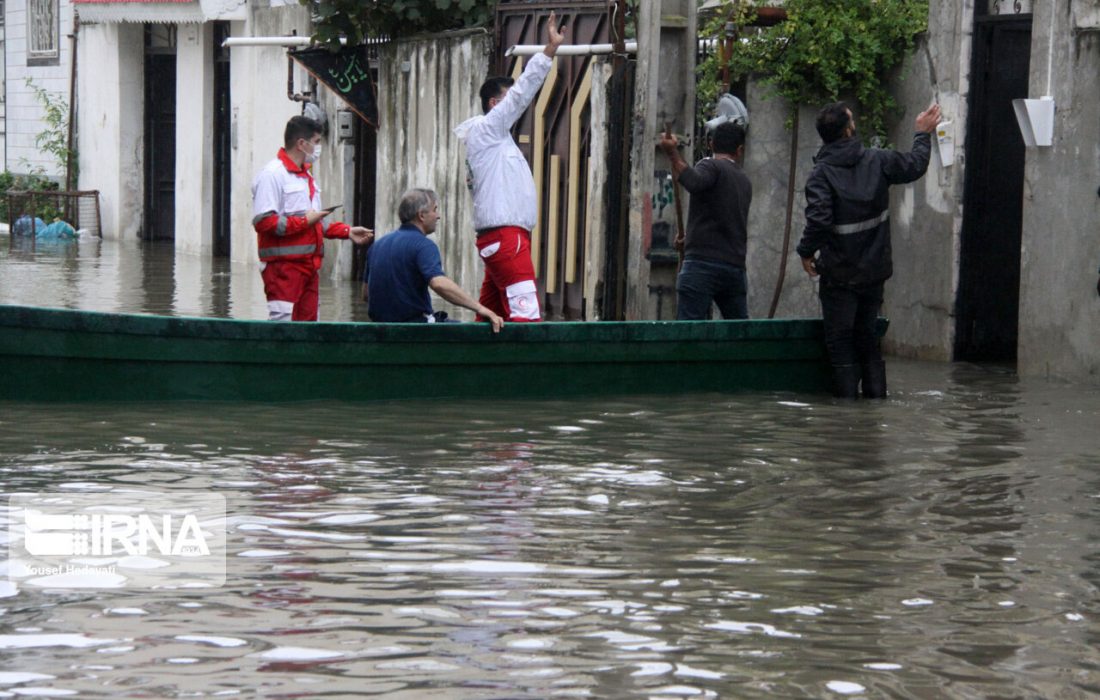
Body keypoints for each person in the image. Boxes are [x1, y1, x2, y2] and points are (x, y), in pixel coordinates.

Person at [796, 101, 942, 398]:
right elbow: (915, 164)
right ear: (849, 130)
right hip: (874, 272)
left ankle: (847, 420)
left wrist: (805, 252)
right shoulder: (877, 160)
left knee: (840, 343)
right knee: (868, 339)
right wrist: (922, 133)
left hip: (839, 275)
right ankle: (875, 409)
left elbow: (819, 221)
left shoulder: (821, 175)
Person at [453, 11, 567, 323]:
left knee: (489, 317)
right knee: (526, 315)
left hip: (504, 238)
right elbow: (522, 93)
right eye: (506, 102)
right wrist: (548, 52)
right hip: (506, 238)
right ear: (494, 105)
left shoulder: (493, 140)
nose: (515, 109)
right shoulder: (489, 130)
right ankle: (529, 372)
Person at [252, 115, 373, 321]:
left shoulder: (305, 176)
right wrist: (303, 222)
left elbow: (315, 221)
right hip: (282, 270)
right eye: (316, 142)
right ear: (301, 143)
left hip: (309, 267)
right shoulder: (272, 175)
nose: (318, 148)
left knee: (309, 327)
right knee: (283, 329)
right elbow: (263, 222)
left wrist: (347, 231)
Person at [363, 188, 504, 332]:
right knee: (474, 332)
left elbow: (367, 295)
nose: (438, 216)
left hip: (380, 329)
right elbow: (439, 284)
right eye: (435, 209)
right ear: (422, 215)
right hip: (417, 330)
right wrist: (481, 309)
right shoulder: (424, 246)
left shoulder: (377, 246)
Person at [658, 121, 752, 320]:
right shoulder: (744, 181)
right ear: (740, 150)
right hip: (733, 268)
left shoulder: (710, 165)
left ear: (711, 144)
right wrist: (691, 238)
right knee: (739, 333)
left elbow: (694, 182)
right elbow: (721, 216)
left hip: (702, 266)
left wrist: (672, 153)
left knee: (688, 334)